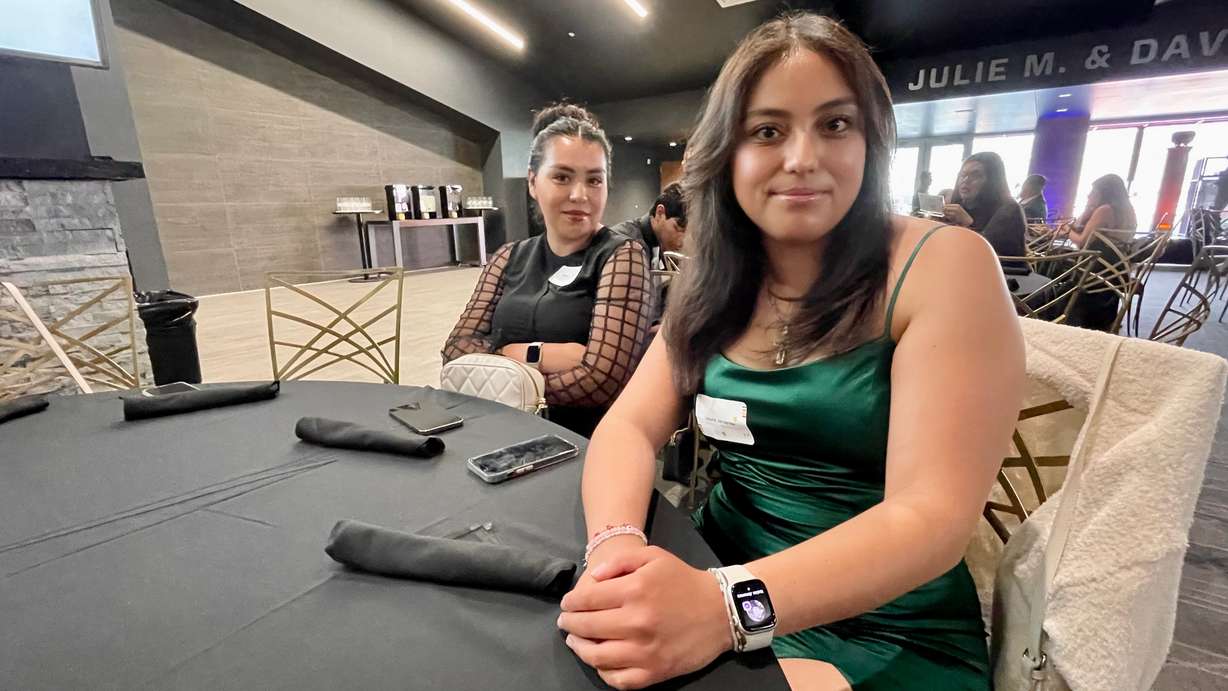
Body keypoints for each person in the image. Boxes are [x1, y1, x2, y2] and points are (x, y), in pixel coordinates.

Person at [557, 12, 1024, 691]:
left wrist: (723, 607)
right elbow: (628, 425)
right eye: (768, 130)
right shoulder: (711, 277)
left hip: (880, 622)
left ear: (871, 141)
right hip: (708, 563)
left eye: (835, 124)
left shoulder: (946, 265)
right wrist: (617, 548)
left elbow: (929, 519)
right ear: (727, 154)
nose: (802, 157)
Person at [441, 103, 654, 438]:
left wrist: (502, 364)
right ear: (532, 182)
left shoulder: (622, 255)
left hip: (581, 441)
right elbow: (456, 350)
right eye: (562, 177)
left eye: (594, 180)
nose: (579, 194)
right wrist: (541, 355)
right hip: (496, 431)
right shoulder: (509, 256)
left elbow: (601, 380)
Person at [942, 152, 1027, 257]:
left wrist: (968, 224)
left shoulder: (1009, 209)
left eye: (975, 175)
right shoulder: (963, 204)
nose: (966, 180)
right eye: (963, 175)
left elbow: (988, 253)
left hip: (1005, 270)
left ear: (992, 181)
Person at [610, 182, 688, 269]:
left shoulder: (660, 241)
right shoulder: (624, 244)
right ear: (660, 213)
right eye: (678, 228)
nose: (683, 240)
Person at [1066, 173, 1137, 249]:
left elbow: (1082, 242)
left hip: (1096, 258)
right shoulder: (1129, 210)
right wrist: (1088, 209)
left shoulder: (1105, 210)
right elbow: (1077, 227)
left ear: (1104, 193)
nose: (1089, 195)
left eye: (1093, 192)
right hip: (1118, 258)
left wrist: (1066, 229)